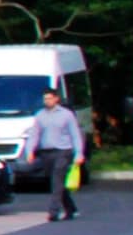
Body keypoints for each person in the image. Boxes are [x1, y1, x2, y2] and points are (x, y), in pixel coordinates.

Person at [24, 85, 87, 223]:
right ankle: (71, 208)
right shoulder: (40, 115)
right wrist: (30, 151)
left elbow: (75, 135)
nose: (47, 101)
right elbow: (34, 135)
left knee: (57, 179)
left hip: (63, 151)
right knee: (57, 182)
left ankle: (54, 212)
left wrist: (79, 153)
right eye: (45, 99)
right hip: (46, 153)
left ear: (56, 99)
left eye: (49, 98)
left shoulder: (66, 115)